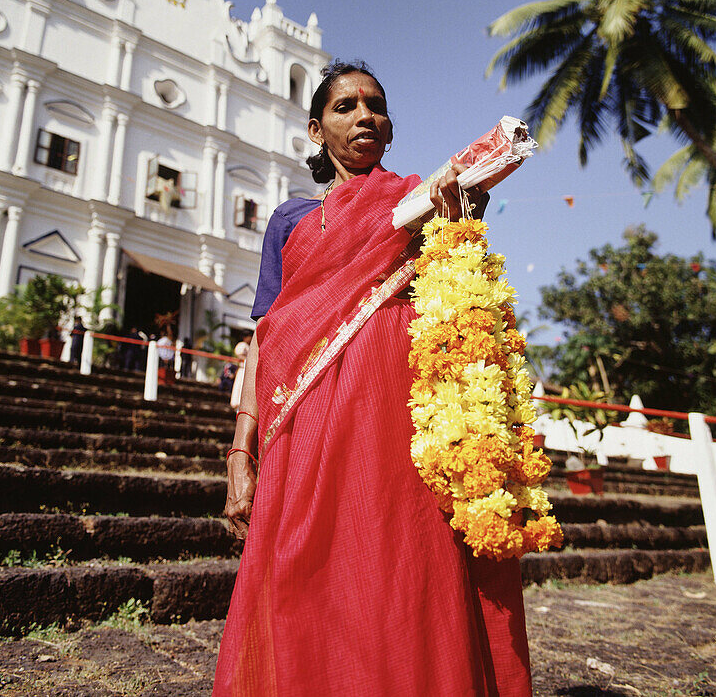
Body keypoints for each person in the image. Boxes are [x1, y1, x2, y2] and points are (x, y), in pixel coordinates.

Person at [213, 61, 529, 696]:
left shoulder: (420, 200)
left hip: (396, 420)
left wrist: (458, 214)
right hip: (305, 427)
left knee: (402, 567)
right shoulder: (291, 221)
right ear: (315, 129)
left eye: (375, 105)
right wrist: (239, 453)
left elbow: (459, 294)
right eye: (345, 106)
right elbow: (268, 335)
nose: (364, 115)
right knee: (308, 568)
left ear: (389, 126)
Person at [228, 331, 253, 410]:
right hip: (243, 370)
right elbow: (239, 354)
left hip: (246, 370)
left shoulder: (248, 346)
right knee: (239, 389)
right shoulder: (242, 345)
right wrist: (247, 360)